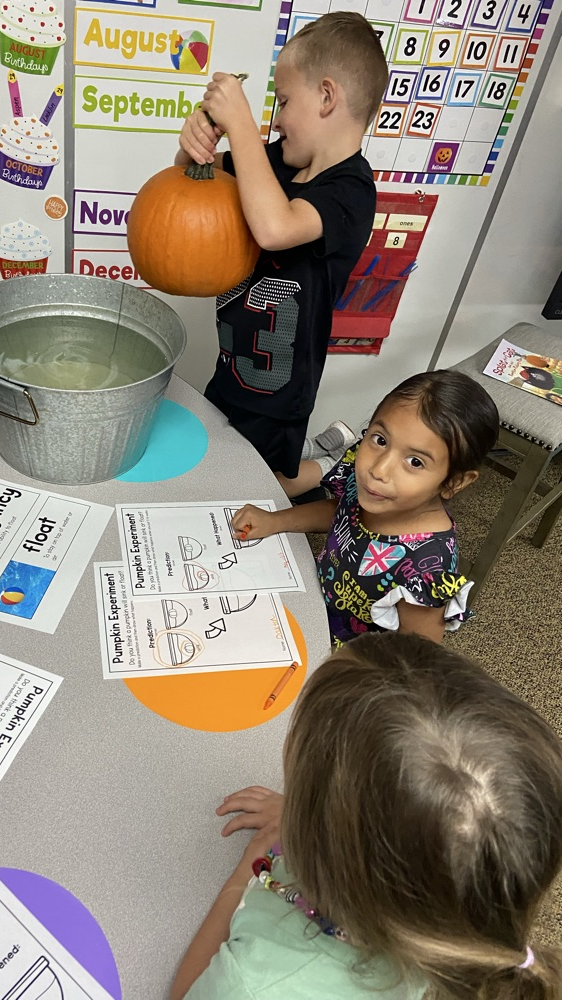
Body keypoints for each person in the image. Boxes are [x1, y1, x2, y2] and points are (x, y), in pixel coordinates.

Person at [169, 631, 562, 1000]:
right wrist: (307, 810)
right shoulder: (456, 921)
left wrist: (245, 871)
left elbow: (185, 991)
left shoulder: (251, 986)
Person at [176, 12, 388, 498]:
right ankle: (328, 457)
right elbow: (194, 178)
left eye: (285, 101)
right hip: (232, 369)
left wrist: (242, 126)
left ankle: (334, 468)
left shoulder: (351, 191)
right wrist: (194, 145)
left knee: (252, 489)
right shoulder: (275, 160)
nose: (276, 119)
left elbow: (275, 228)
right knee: (220, 462)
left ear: (328, 97)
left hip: (279, 395)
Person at [230, 370, 499, 646]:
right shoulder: (375, 489)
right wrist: (275, 520)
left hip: (346, 660)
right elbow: (340, 511)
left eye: (415, 462)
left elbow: (416, 659)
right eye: (380, 440)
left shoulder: (427, 570)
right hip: (310, 602)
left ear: (454, 482)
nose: (378, 469)